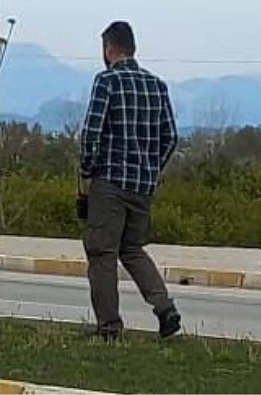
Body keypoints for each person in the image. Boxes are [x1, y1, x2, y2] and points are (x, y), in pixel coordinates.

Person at [78, 21, 181, 341]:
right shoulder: (157, 85)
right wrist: (151, 169)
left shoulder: (107, 81)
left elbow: (91, 132)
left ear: (109, 49)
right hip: (143, 186)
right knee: (133, 249)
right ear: (132, 47)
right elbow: (170, 137)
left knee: (102, 253)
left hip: (110, 182)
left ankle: (109, 326)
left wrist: (88, 170)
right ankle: (165, 308)